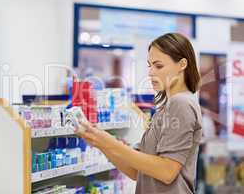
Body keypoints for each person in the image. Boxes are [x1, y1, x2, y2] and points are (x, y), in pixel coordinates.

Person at [77, 33, 202, 194]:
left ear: (182, 64)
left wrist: (110, 142)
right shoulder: (166, 108)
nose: (150, 72)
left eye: (159, 66)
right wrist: (100, 142)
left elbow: (167, 172)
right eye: (150, 65)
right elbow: (135, 171)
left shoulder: (182, 103)